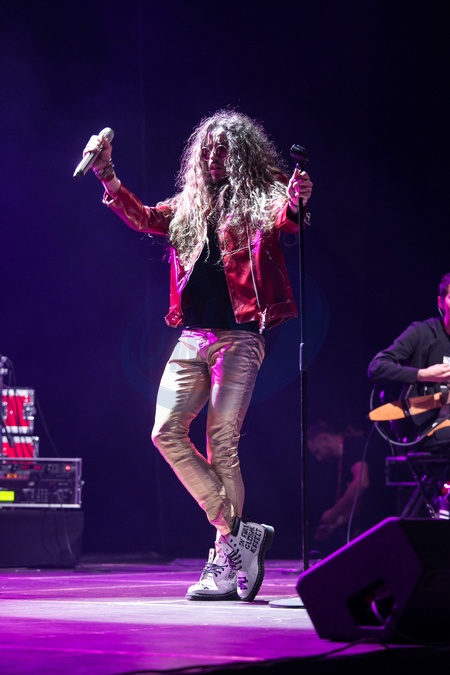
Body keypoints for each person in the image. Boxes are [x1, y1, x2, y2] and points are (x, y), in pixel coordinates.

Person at [83, 110, 313, 602]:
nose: (212, 158)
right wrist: (107, 173)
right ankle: (239, 535)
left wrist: (296, 200)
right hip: (192, 338)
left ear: (242, 154)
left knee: (221, 443)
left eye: (222, 149)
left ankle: (225, 560)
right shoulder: (188, 205)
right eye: (206, 150)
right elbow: (144, 217)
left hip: (241, 338)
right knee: (163, 430)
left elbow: (286, 217)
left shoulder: (261, 197)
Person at [368, 272, 450, 454]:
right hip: (428, 430)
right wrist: (423, 374)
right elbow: (376, 367)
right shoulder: (422, 332)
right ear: (441, 303)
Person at [307, 420, 370, 557]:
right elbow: (357, 503)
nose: (319, 458)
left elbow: (361, 482)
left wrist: (333, 513)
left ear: (324, 439)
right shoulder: (343, 457)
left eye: (317, 452)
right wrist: (336, 525)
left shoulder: (351, 445)